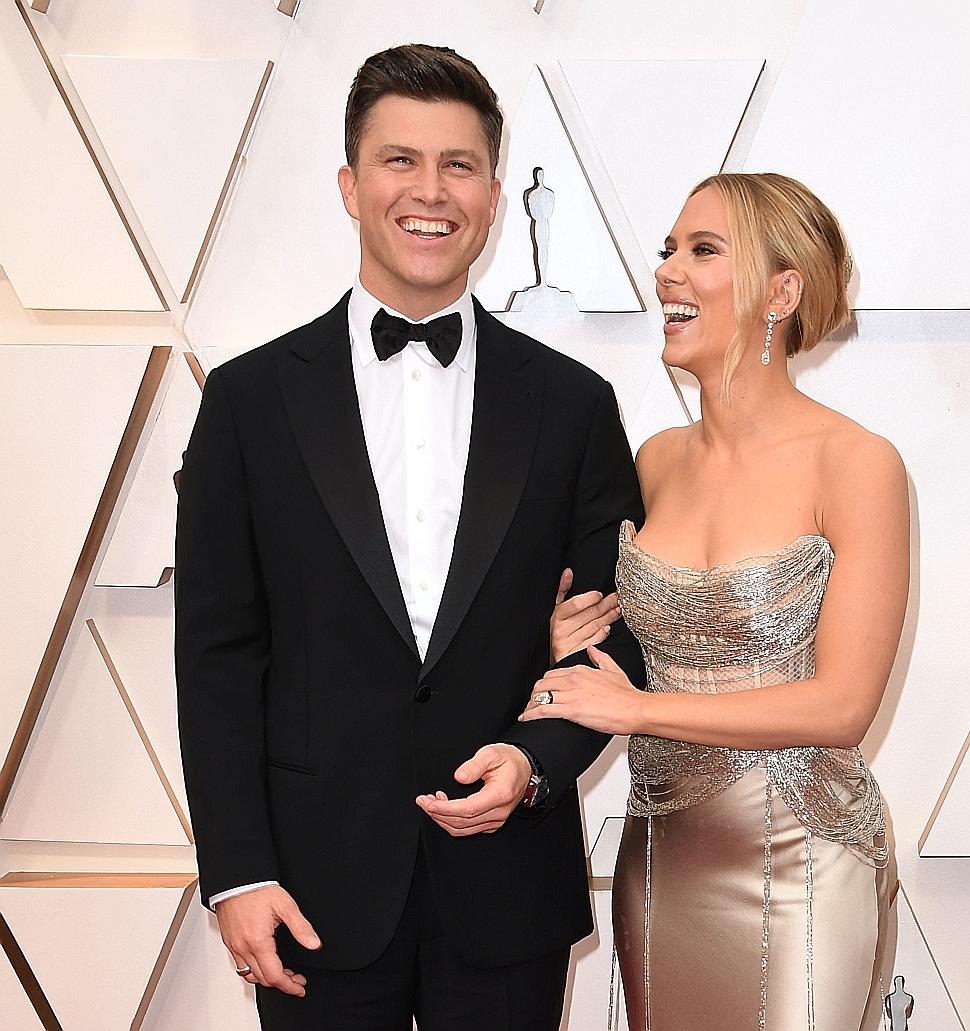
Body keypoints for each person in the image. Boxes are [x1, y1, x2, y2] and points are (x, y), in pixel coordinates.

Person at [174, 44, 644, 1030]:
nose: (430, 192)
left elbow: (613, 630)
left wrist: (533, 755)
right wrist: (237, 871)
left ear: (494, 192)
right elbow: (217, 654)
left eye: (458, 165)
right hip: (308, 887)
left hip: (508, 882)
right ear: (350, 185)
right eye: (399, 161)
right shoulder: (248, 402)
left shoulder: (572, 405)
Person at [529, 172, 908, 1030]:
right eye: (668, 249)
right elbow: (620, 642)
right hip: (662, 857)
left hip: (801, 855)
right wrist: (562, 640)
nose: (668, 272)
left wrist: (637, 706)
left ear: (782, 290)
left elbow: (843, 704)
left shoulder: (856, 463)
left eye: (703, 251)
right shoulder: (655, 459)